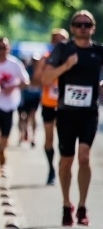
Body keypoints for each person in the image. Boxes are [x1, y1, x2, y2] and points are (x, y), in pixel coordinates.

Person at [42, 11, 103, 227]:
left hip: (89, 113)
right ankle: (67, 204)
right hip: (66, 113)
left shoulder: (98, 51)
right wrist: (66, 66)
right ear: (72, 27)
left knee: (84, 158)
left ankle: (83, 206)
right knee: (66, 160)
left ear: (93, 28)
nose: (82, 28)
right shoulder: (63, 49)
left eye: (87, 24)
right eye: (78, 24)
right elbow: (45, 78)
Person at [0, 37, 29, 179]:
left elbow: (26, 81)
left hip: (10, 105)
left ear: (9, 49)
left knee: (4, 140)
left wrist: (14, 87)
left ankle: (2, 157)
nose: (2, 51)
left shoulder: (15, 64)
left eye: (4, 47)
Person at [32, 29, 69, 185]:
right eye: (56, 40)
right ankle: (51, 169)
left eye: (63, 40)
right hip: (49, 104)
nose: (59, 43)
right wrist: (43, 69)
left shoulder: (72, 59)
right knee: (49, 138)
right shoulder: (46, 58)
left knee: (64, 139)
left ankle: (62, 166)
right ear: (52, 42)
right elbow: (35, 81)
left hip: (66, 105)